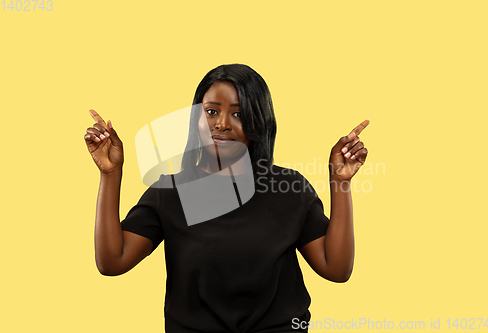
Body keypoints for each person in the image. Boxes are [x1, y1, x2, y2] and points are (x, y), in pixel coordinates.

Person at [84, 64, 369, 333]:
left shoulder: (290, 187)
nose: (221, 124)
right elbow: (112, 261)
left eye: (238, 113)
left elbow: (337, 268)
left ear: (260, 120)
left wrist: (340, 182)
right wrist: (110, 174)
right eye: (210, 111)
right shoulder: (169, 193)